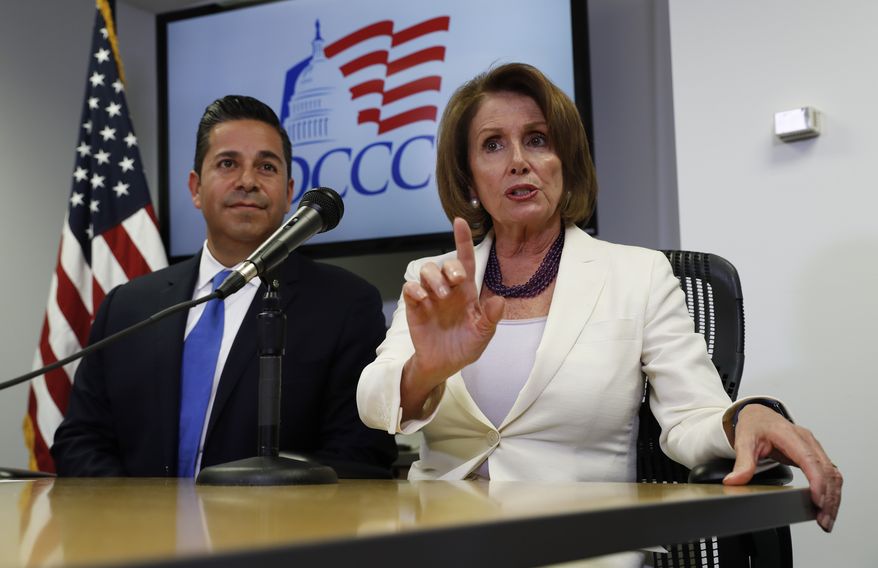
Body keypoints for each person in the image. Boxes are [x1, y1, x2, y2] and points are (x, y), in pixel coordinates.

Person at [357, 63, 841, 540]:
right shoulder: (435, 278)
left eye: (538, 140)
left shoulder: (639, 276)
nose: (518, 160)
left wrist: (746, 417)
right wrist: (427, 369)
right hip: (444, 539)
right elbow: (373, 400)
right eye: (493, 144)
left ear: (566, 162)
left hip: (581, 540)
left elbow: (691, 418)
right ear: (469, 180)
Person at [53, 95, 397, 477]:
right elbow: (81, 440)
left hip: (273, 533)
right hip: (137, 532)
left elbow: (359, 455)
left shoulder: (345, 306)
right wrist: (139, 519)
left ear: (288, 193)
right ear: (195, 188)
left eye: (266, 166)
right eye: (228, 163)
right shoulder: (127, 307)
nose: (247, 181)